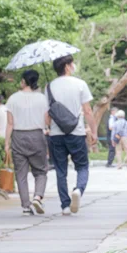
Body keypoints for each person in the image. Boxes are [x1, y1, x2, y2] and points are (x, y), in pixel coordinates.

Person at [46, 55, 97, 215]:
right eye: (72, 63)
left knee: (61, 171)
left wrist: (48, 128)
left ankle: (65, 206)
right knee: (82, 167)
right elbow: (87, 110)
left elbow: (47, 114)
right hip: (76, 132)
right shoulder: (80, 84)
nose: (73, 66)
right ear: (67, 67)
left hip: (56, 134)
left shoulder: (48, 87)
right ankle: (78, 190)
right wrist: (93, 131)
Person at [5, 70, 48, 216]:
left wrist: (6, 143)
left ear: (23, 81)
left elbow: (10, 124)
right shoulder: (43, 99)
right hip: (37, 135)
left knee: (21, 174)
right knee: (41, 171)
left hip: (18, 136)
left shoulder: (12, 99)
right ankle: (37, 196)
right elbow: (48, 121)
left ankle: (25, 206)